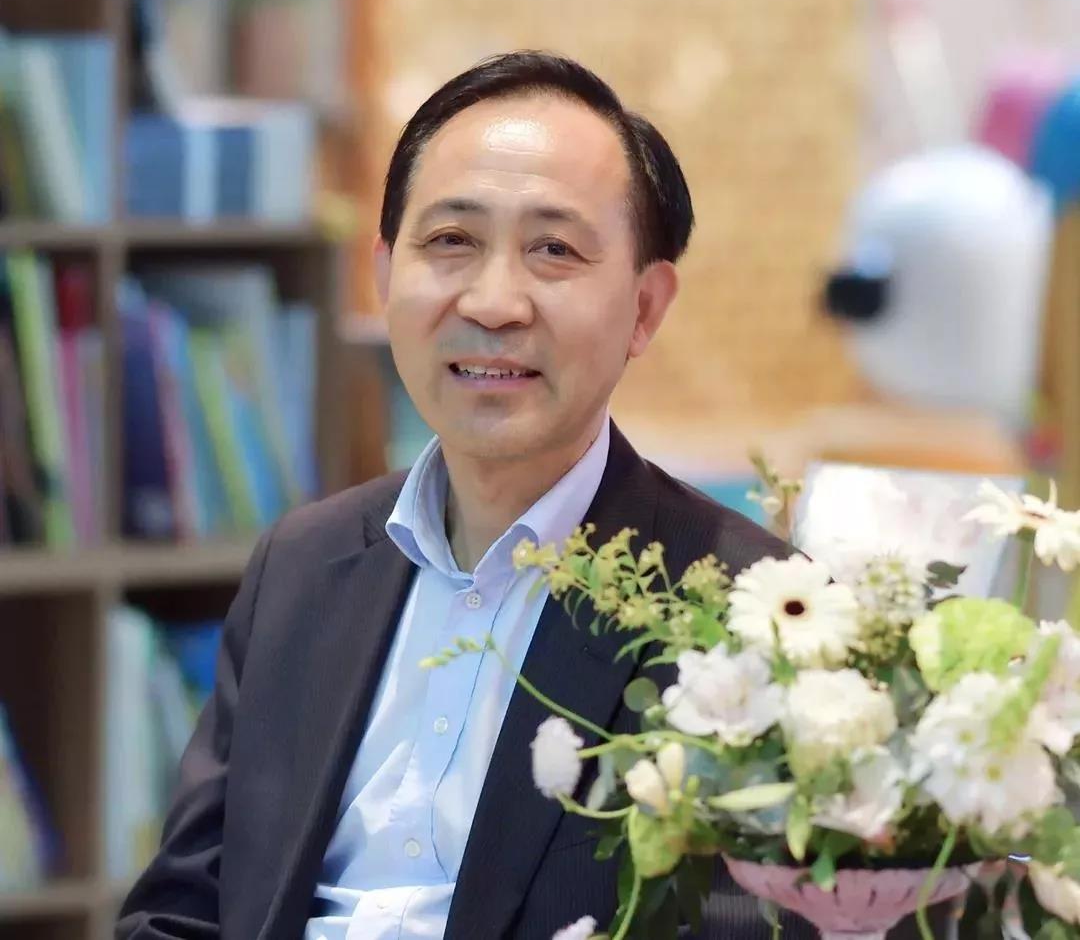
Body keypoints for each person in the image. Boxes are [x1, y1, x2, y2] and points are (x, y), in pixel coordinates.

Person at [116, 52, 918, 939]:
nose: (494, 302)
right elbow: (181, 907)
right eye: (450, 242)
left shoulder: (753, 613)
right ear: (383, 274)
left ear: (645, 307)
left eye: (554, 250)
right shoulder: (302, 566)